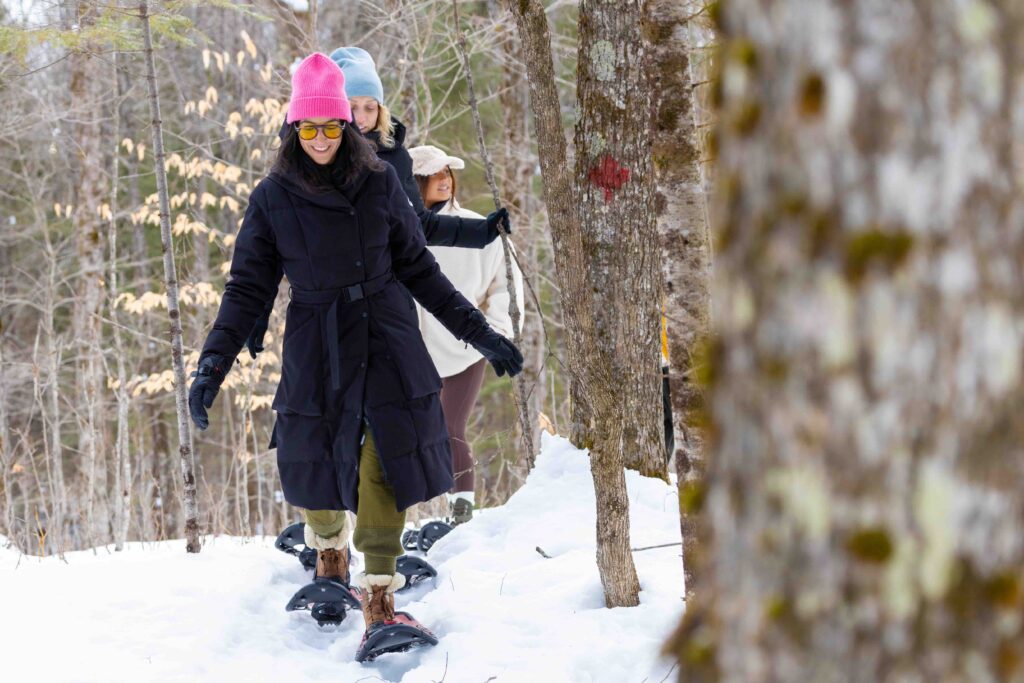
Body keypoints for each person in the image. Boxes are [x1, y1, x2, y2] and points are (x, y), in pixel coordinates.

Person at [187, 53, 523, 662]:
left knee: (382, 461)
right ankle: (329, 553)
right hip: (317, 339)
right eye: (307, 128)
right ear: (292, 131)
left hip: (387, 335)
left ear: (348, 127)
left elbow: (421, 269)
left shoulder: (379, 184)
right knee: (314, 453)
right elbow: (247, 288)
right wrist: (213, 364)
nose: (320, 139)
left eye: (331, 126)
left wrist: (482, 334)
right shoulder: (272, 198)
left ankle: (379, 598)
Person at [244, 46, 511, 358]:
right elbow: (276, 242)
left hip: (385, 302)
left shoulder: (393, 157)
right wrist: (257, 313)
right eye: (353, 106)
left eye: (371, 107)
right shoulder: (306, 157)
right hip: (323, 310)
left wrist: (482, 232)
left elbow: (417, 227)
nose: (362, 117)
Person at [409, 144, 523, 526]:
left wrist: (495, 335)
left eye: (448, 173)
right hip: (411, 350)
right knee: (404, 434)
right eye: (434, 174)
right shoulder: (400, 230)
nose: (444, 180)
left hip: (465, 347)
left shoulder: (476, 227)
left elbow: (506, 285)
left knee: (448, 426)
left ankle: (462, 511)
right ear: (414, 182)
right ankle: (409, 517)